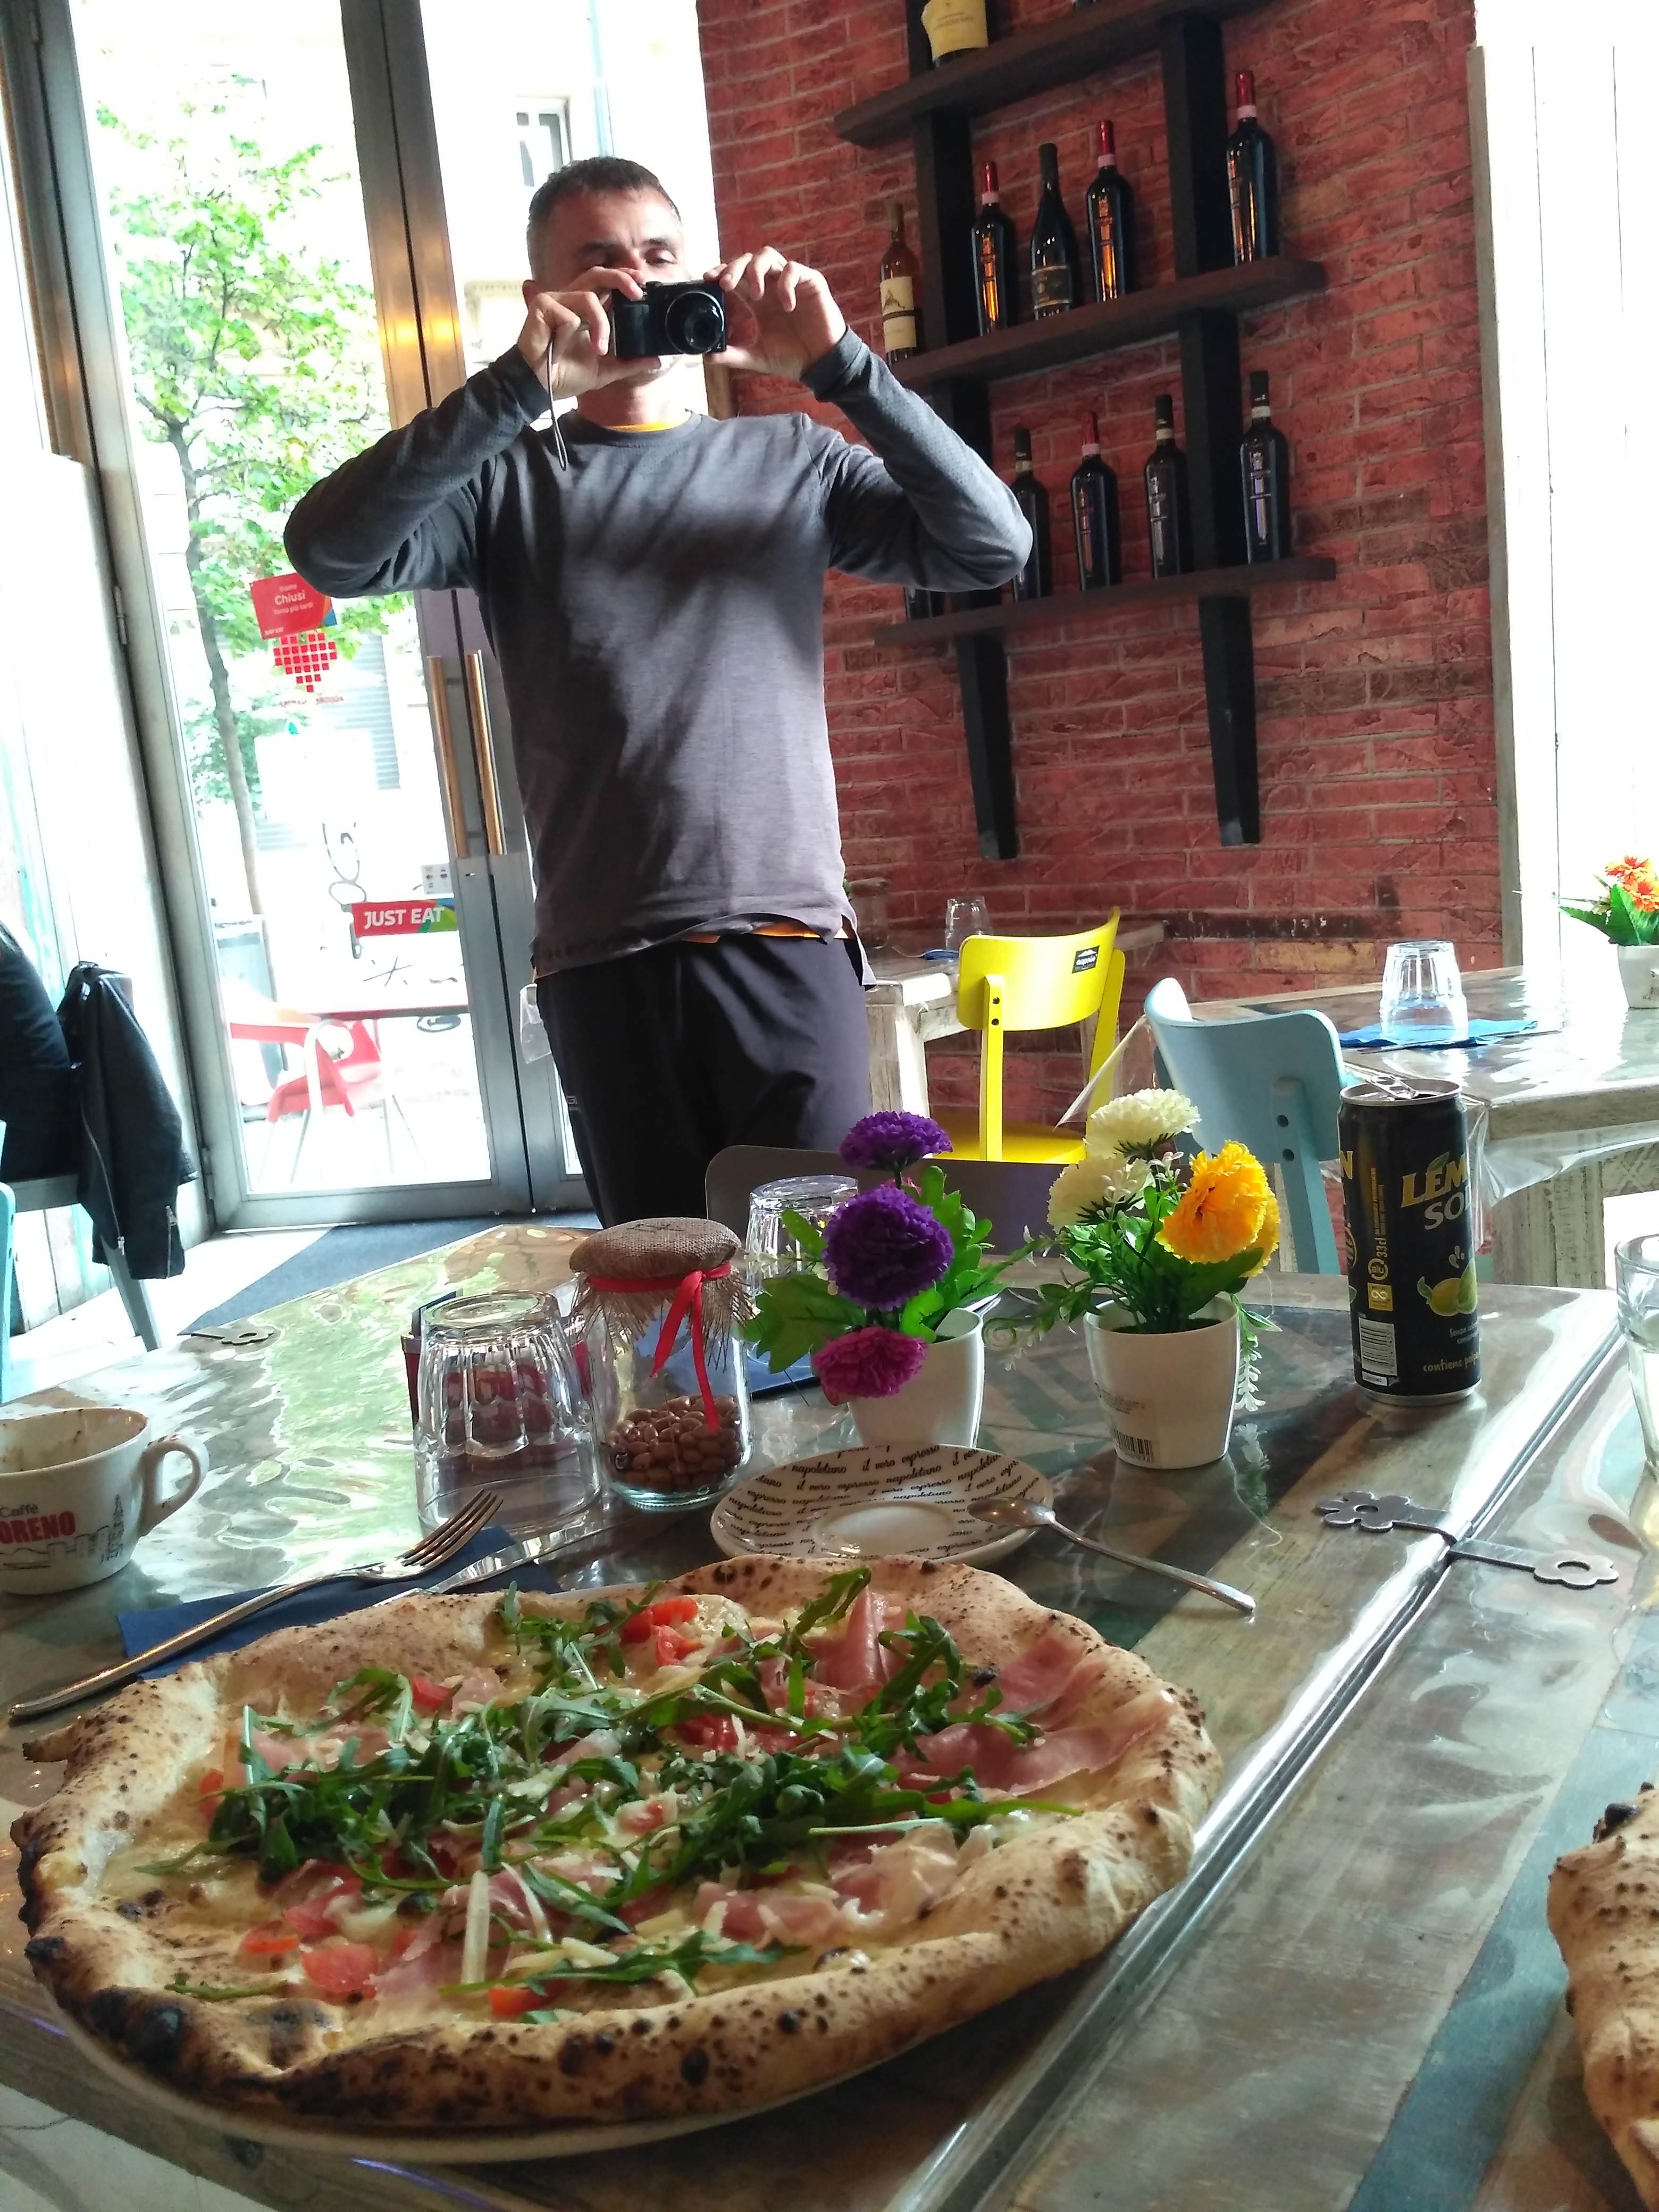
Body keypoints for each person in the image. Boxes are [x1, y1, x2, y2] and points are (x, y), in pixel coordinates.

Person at [286, 156, 1030, 1224]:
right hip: (603, 965)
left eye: (658, 257)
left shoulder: (792, 458)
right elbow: (328, 550)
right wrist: (518, 385)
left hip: (786, 944)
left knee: (824, 1278)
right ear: (546, 295)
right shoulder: (502, 484)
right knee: (658, 1284)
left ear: (699, 275)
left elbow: (993, 546)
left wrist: (841, 365)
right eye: (602, 264)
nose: (637, 283)